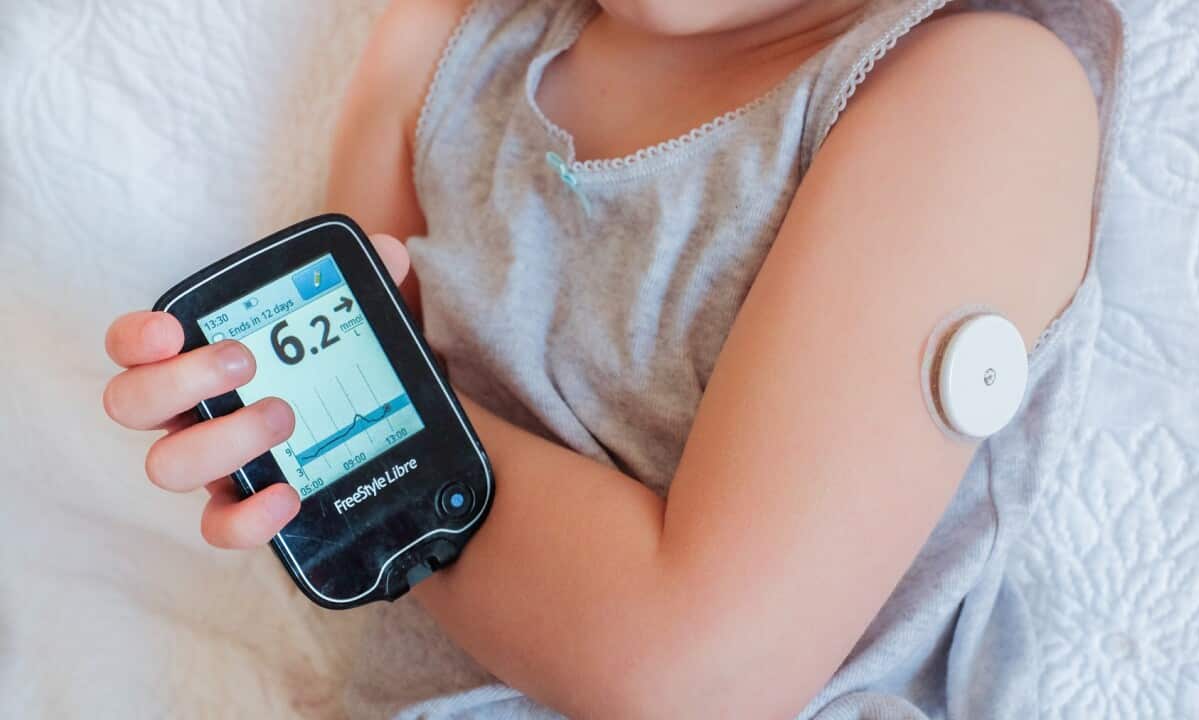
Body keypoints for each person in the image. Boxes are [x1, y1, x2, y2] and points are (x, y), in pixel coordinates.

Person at [102, 0, 1105, 716]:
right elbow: (346, 518)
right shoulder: (442, 39)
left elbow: (700, 672)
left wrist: (351, 445)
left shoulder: (972, 85)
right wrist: (279, 427)